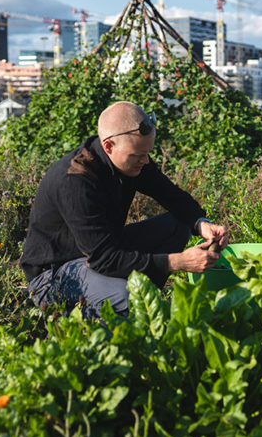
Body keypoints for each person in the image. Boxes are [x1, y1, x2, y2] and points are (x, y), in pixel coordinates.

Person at [20, 101, 229, 318]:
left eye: (147, 152)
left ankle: (138, 308)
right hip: (55, 275)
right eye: (138, 155)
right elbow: (104, 258)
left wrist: (201, 223)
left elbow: (169, 194)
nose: (145, 160)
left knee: (179, 224)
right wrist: (178, 262)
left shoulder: (128, 158)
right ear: (109, 146)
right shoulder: (75, 181)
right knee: (126, 297)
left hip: (101, 252)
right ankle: (99, 319)